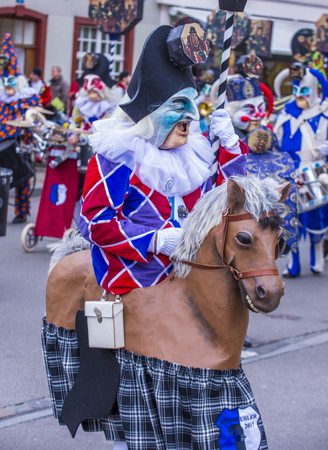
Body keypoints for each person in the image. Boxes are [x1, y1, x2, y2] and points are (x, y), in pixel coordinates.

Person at [274, 63, 328, 276]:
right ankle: (293, 264)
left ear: (314, 91)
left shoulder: (324, 114)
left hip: (315, 172)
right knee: (290, 220)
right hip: (289, 173)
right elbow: (277, 142)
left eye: (303, 91)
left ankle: (316, 254)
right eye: (295, 91)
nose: (299, 96)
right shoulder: (286, 113)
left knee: (317, 217)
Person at [0, 33, 41, 223]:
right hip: (2, 143)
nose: (8, 88)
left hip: (21, 142)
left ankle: (22, 212)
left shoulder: (27, 96)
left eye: (11, 83)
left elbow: (37, 114)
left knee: (22, 179)